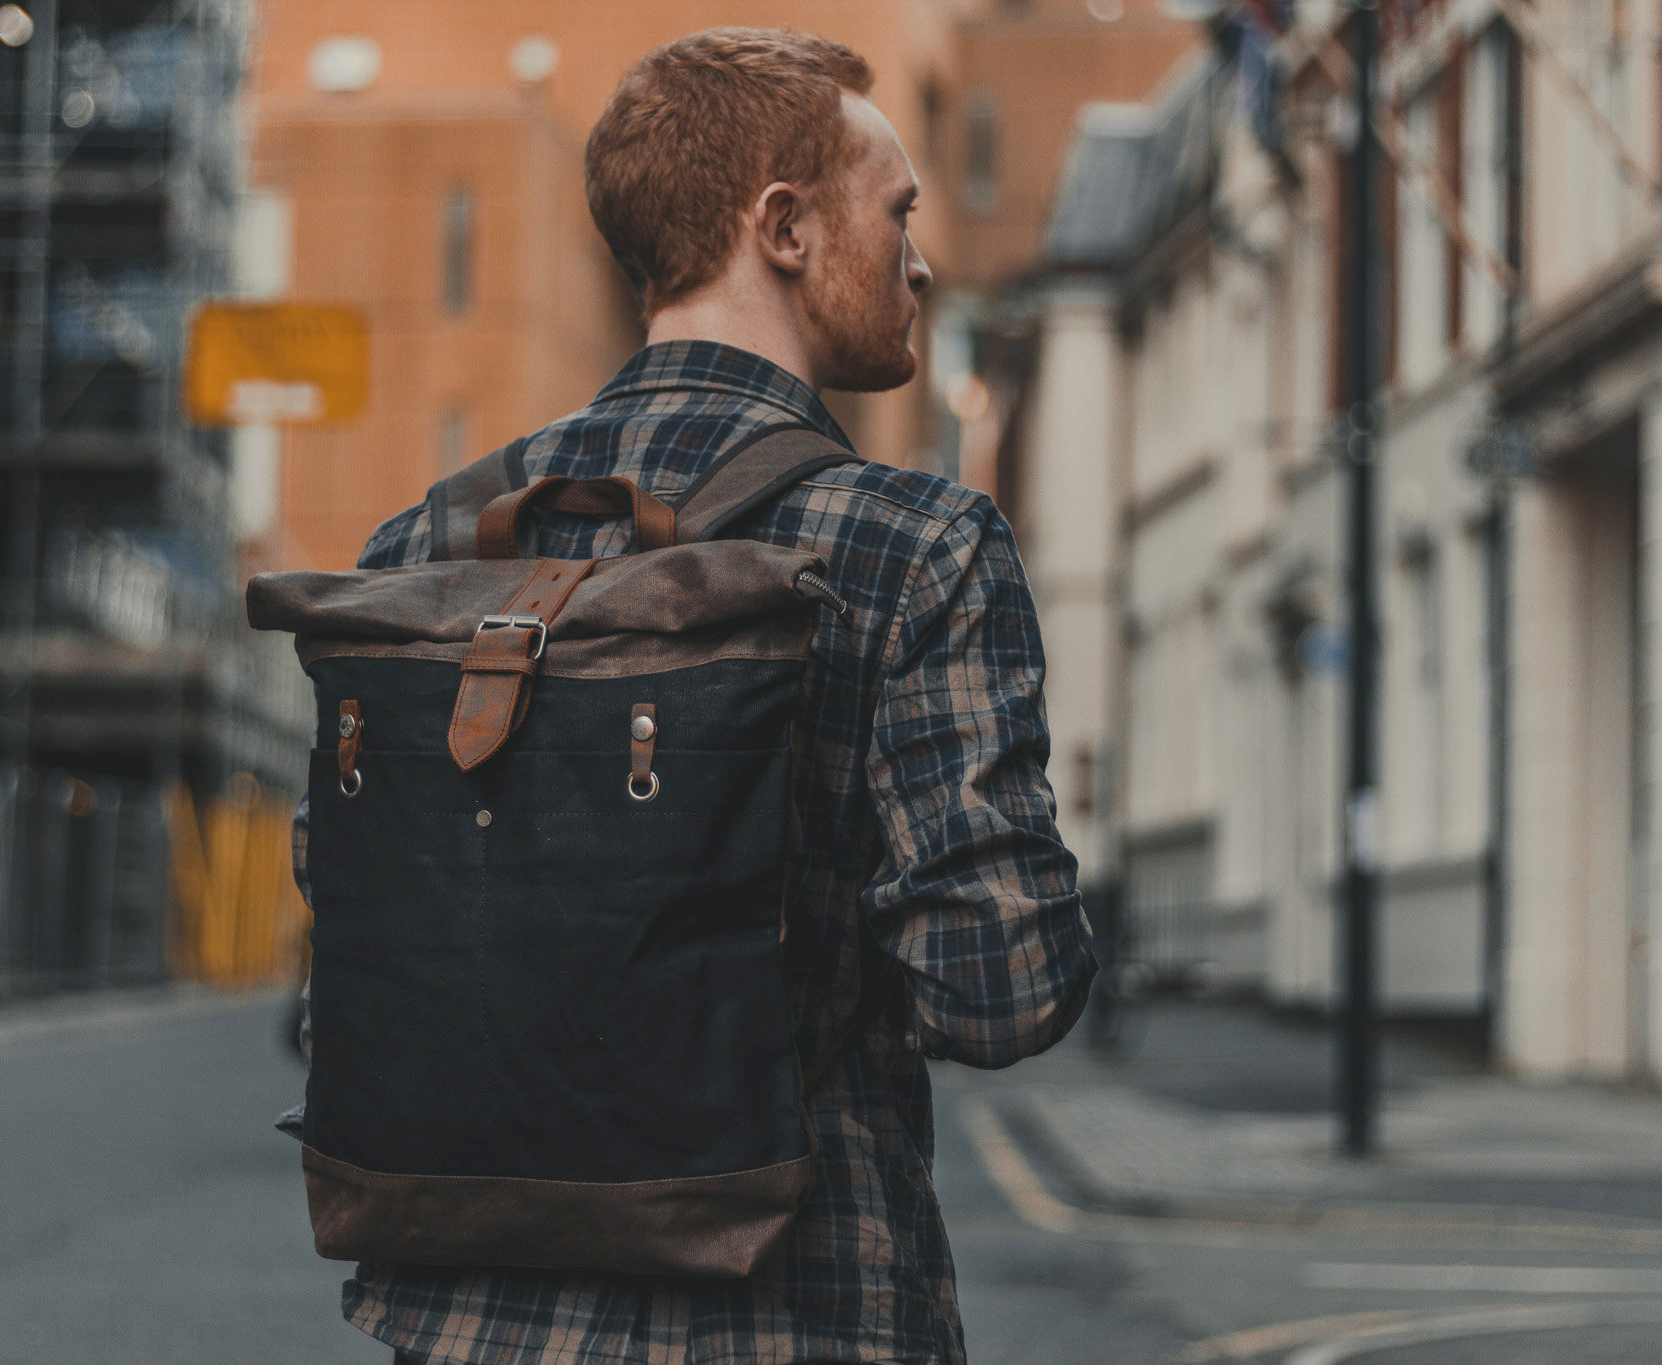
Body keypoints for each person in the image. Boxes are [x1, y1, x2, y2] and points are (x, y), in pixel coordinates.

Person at [292, 27, 1096, 1363]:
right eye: (895, 212)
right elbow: (998, 989)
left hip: (468, 1318)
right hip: (796, 1308)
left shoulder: (423, 548)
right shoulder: (914, 543)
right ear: (782, 226)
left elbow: (358, 952)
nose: (921, 258)